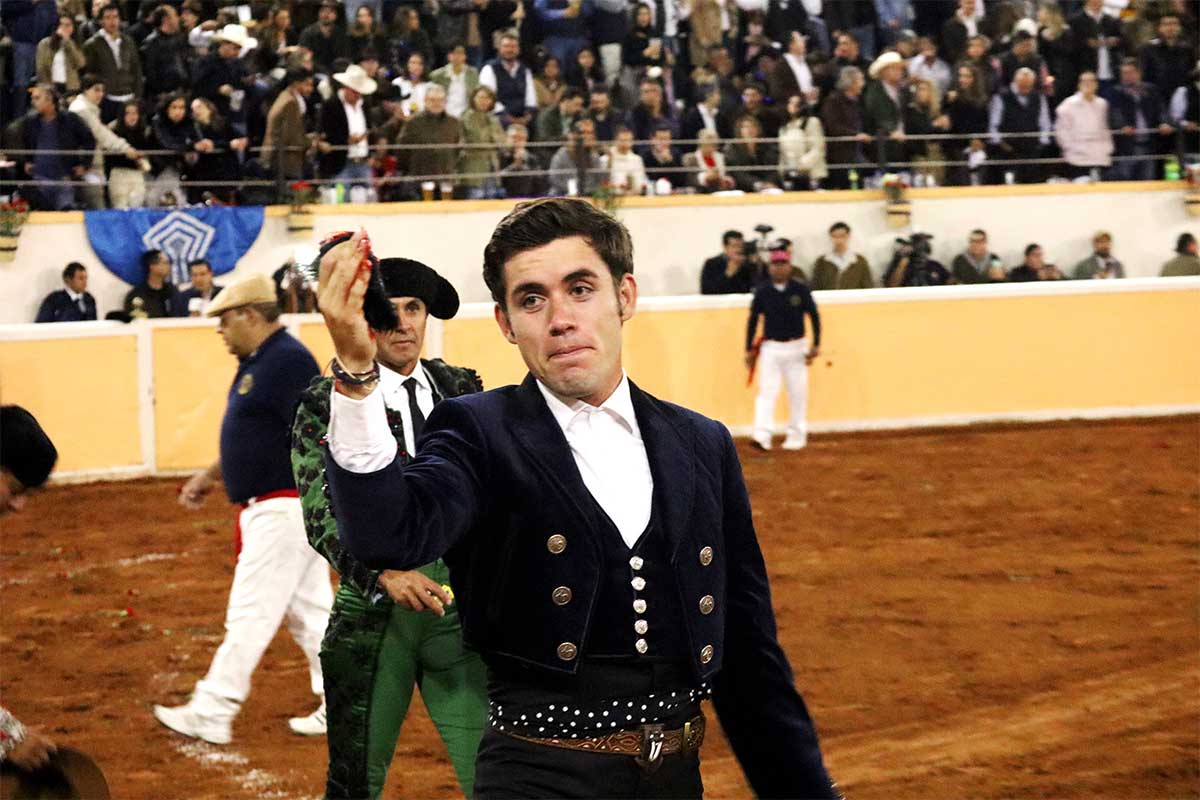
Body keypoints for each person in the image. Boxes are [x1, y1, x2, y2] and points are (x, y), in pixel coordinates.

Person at [313, 199, 838, 798]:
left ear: (625, 297)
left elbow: (748, 654)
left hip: (673, 781)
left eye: (580, 289)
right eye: (532, 299)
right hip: (535, 777)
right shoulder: (474, 429)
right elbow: (391, 536)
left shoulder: (701, 442)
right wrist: (357, 369)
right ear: (507, 325)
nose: (559, 318)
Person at [292, 256, 488, 800]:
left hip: (462, 612)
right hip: (375, 611)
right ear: (364, 322)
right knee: (356, 782)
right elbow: (321, 513)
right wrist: (383, 574)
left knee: (497, 776)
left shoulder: (462, 386)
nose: (403, 323)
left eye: (414, 309)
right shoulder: (320, 401)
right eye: (388, 312)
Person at [154, 274, 331, 745]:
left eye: (225, 319)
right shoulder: (267, 361)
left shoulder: (287, 361)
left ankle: (213, 709)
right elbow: (255, 434)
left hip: (284, 509)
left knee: (252, 614)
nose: (220, 329)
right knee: (311, 614)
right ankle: (344, 702)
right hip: (284, 508)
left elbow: (319, 427)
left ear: (251, 315)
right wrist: (209, 476)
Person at [746, 242, 821, 451]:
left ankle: (797, 434)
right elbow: (753, 320)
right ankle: (762, 435)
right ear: (770, 267)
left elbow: (814, 316)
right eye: (775, 264)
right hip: (771, 347)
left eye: (783, 264)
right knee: (766, 392)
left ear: (789, 266)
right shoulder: (762, 291)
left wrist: (816, 344)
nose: (779, 268)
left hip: (797, 347)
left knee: (798, 392)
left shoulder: (801, 289)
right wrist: (748, 348)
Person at [20, 84, 95, 211]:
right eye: (32, 98)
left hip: (64, 180)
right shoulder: (30, 122)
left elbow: (89, 139)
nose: (33, 102)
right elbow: (26, 143)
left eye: (37, 98)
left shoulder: (70, 119)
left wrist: (85, 164)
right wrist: (28, 161)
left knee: (65, 214)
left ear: (49, 99)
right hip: (39, 179)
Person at [317, 64, 378, 190]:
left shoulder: (364, 105)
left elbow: (370, 129)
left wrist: (372, 154)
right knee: (341, 199)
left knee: (369, 199)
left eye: (360, 92)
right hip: (341, 164)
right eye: (355, 92)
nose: (358, 96)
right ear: (345, 87)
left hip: (363, 162)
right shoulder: (331, 105)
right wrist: (346, 141)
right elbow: (325, 133)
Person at [988, 67, 1052, 184]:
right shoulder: (1001, 97)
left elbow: (1045, 123)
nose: (1026, 88)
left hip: (1032, 149)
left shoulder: (1039, 97)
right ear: (1015, 82)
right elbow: (993, 125)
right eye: (1022, 85)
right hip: (1007, 149)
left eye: (1029, 86)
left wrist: (1042, 142)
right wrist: (1000, 143)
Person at [82, 3, 143, 122]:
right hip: (107, 99)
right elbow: (90, 74)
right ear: (101, 21)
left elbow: (136, 69)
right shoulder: (93, 44)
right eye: (108, 17)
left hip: (129, 97)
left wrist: (137, 95)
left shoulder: (128, 41)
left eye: (115, 17)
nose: (112, 21)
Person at [1053, 71, 1112, 179]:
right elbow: (1061, 131)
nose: (1088, 84)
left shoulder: (1102, 104)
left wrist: (1108, 148)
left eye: (1091, 81)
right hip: (1076, 157)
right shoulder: (1068, 105)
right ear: (1079, 84)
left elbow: (1105, 128)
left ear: (1096, 84)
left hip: (1099, 156)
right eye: (1084, 81)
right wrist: (1071, 148)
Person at [262, 67, 316, 183]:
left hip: (283, 157)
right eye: (308, 85)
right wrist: (311, 142)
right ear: (297, 84)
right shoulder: (290, 103)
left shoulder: (287, 97)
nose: (311, 89)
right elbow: (291, 135)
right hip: (284, 159)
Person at [820, 66, 869, 190]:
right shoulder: (833, 101)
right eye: (860, 80)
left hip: (856, 155)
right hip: (841, 158)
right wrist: (854, 135)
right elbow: (832, 126)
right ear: (850, 83)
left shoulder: (856, 102)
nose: (862, 84)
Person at [480, 33, 538, 128]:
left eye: (513, 46)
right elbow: (488, 99)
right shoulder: (489, 69)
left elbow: (531, 98)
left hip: (523, 117)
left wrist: (527, 116)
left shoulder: (525, 70)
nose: (509, 50)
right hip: (499, 116)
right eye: (506, 46)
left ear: (518, 49)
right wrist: (509, 118)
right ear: (499, 48)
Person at [778, 94, 827, 191]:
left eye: (797, 103)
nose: (793, 106)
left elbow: (818, 148)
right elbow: (782, 152)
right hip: (792, 174)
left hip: (812, 174)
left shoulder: (812, 122)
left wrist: (801, 164)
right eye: (791, 103)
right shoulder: (784, 127)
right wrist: (782, 170)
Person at [123, 250, 187, 318]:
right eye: (165, 263)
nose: (169, 266)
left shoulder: (172, 290)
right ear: (152, 266)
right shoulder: (137, 295)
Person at [35, 14, 86, 97]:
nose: (64, 28)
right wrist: (47, 88)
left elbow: (80, 64)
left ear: (73, 27)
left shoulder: (75, 43)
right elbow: (41, 68)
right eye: (61, 25)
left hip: (71, 87)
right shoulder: (44, 44)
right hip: (50, 88)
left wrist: (68, 42)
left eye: (68, 25)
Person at [811, 222, 873, 290]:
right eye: (835, 236)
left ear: (848, 236)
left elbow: (868, 286)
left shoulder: (860, 261)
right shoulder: (821, 262)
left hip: (854, 299)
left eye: (842, 236)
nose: (839, 240)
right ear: (830, 237)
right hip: (829, 299)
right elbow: (815, 286)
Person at [700, 230, 756, 294]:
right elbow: (706, 290)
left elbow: (753, 287)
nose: (738, 250)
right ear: (725, 247)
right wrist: (728, 273)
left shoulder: (747, 264)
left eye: (741, 246)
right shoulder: (712, 263)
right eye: (734, 246)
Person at [605, 126, 647, 194]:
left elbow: (642, 181)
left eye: (628, 140)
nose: (625, 143)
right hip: (614, 198)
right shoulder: (608, 158)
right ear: (616, 140)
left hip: (636, 197)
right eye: (622, 140)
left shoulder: (637, 159)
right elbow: (604, 180)